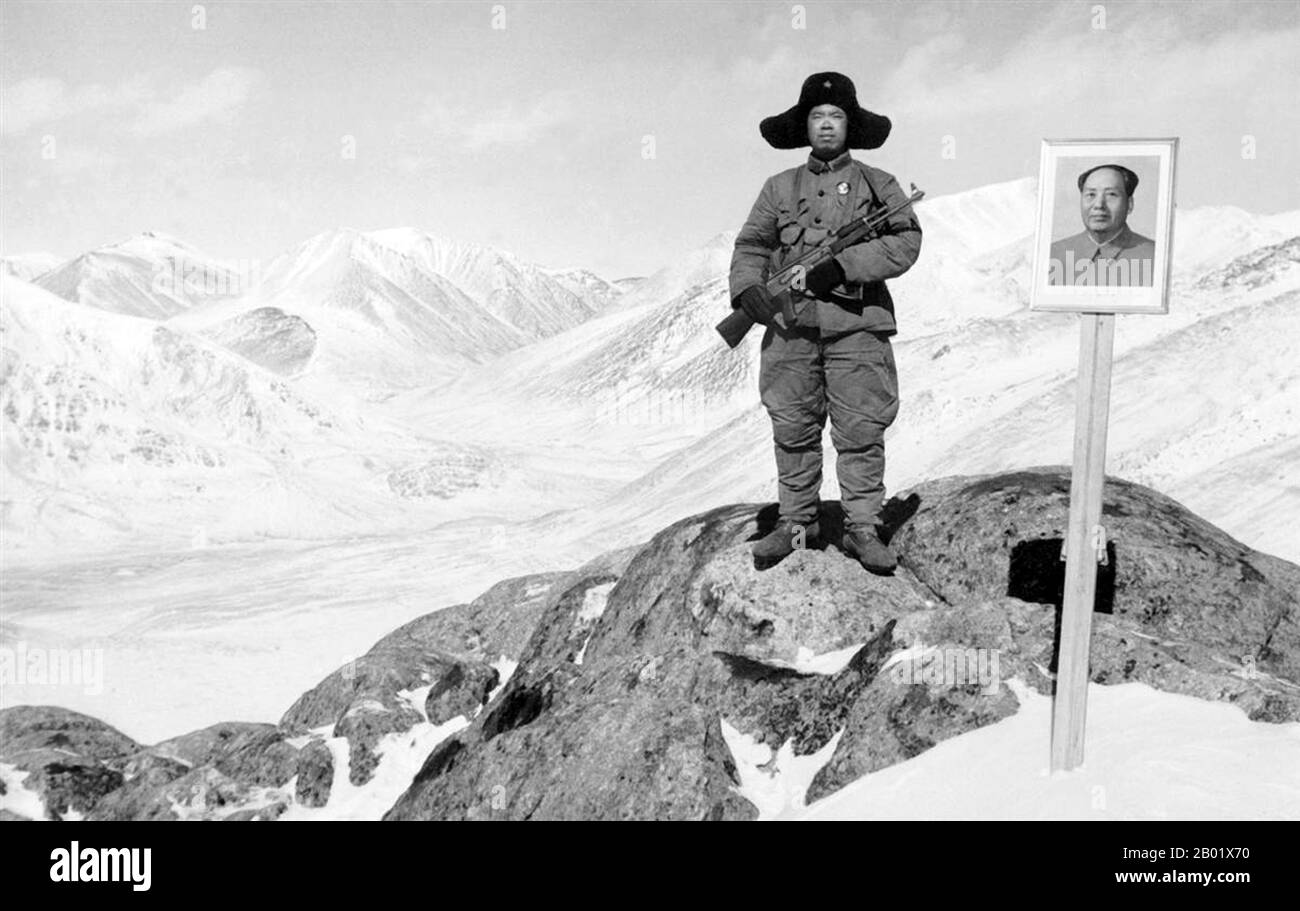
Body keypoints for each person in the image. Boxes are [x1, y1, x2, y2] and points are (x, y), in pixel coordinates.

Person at [729, 72, 922, 574]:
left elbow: (904, 242)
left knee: (860, 429)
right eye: (817, 116)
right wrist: (749, 289)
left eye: (836, 116)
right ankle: (797, 524)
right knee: (792, 425)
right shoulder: (778, 187)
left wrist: (843, 267)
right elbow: (751, 245)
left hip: (858, 326)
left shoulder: (880, 186)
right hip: (790, 328)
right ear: (805, 126)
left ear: (850, 125)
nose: (827, 125)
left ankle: (862, 528)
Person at [1048, 164, 1155, 287]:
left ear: (1129, 204)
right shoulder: (1053, 255)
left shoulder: (1154, 257)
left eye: (1111, 194)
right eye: (1091, 195)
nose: (1099, 205)